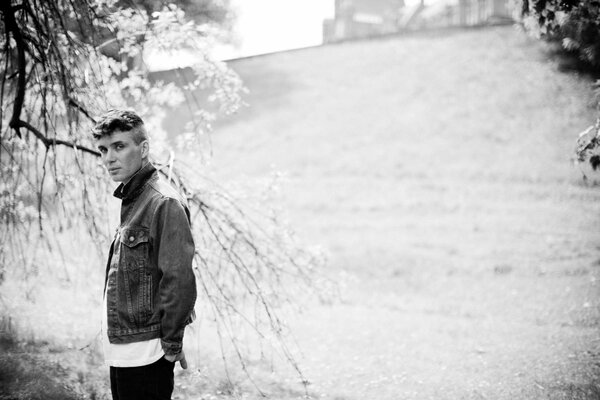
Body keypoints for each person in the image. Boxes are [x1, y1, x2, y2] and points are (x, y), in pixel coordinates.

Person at [93, 109, 197, 400]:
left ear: (144, 148)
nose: (108, 158)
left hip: (146, 355)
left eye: (119, 146)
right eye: (103, 150)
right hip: (124, 350)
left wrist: (172, 345)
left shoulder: (163, 202)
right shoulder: (133, 199)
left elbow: (178, 280)